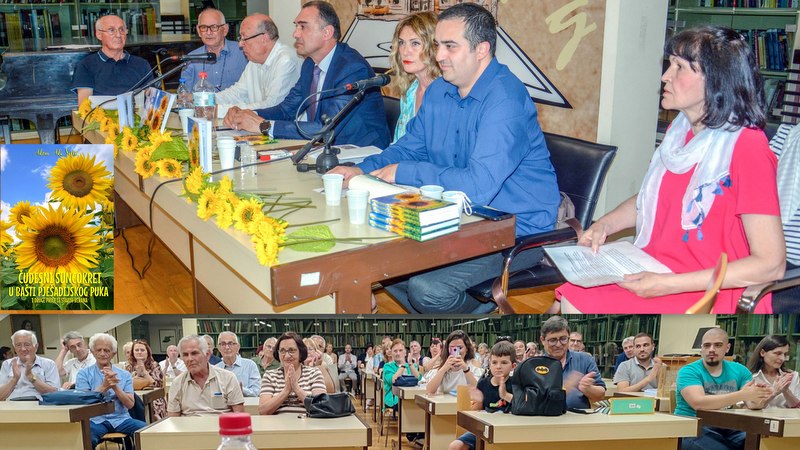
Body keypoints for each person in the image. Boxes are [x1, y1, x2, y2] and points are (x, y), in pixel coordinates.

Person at [330, 2, 560, 314]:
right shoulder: (440, 90)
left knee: (426, 290)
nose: (439, 56)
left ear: (482, 50)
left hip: (515, 230)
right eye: (438, 45)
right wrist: (360, 170)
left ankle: (479, 316)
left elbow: (477, 187)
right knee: (374, 261)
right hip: (461, 218)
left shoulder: (505, 100)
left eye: (450, 46)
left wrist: (404, 171)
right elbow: (408, 147)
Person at [556, 25, 786, 314]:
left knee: (576, 301)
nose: (666, 75)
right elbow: (652, 198)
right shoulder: (679, 133)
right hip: (660, 269)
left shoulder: (748, 146)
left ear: (716, 79)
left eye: (680, 67)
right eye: (670, 64)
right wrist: (604, 225)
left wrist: (668, 284)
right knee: (573, 291)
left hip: (710, 289)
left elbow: (771, 264)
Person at [230, 1, 390, 148]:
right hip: (325, 151)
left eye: (303, 27)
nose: (295, 34)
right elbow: (287, 110)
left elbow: (326, 127)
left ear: (327, 32)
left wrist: (264, 126)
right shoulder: (309, 64)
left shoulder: (352, 69)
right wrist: (248, 115)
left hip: (361, 154)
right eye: (296, 26)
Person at [676, 328, 772, 450]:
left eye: (718, 345)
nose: (711, 349)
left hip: (728, 426)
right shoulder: (689, 371)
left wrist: (759, 396)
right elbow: (698, 403)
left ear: (727, 348)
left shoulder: (740, 370)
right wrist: (743, 394)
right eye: (707, 345)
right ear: (701, 348)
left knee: (758, 444)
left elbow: (751, 403)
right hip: (693, 427)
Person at [216, 13, 301, 119]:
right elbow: (238, 92)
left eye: (244, 38)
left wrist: (218, 111)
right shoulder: (254, 61)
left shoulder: (286, 60)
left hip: (286, 127)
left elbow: (272, 106)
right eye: (240, 38)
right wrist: (207, 102)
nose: (240, 44)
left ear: (264, 38)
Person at [76, 333, 146, 448]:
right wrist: (103, 386)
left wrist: (115, 386)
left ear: (113, 353)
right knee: (85, 439)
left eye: (107, 350)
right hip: (95, 420)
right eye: (99, 350)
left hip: (121, 419)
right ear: (93, 352)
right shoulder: (83, 374)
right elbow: (83, 402)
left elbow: (130, 404)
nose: (102, 353)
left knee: (146, 433)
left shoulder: (125, 375)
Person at [71, 15, 153, 106]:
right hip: (100, 114)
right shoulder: (86, 65)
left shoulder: (142, 64)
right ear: (99, 35)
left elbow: (151, 103)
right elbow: (84, 107)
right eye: (111, 30)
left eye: (122, 30)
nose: (118, 35)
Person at [450, 340, 515, 450]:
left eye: (504, 363)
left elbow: (522, 405)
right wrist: (479, 402)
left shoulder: (516, 384)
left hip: (507, 430)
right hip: (484, 429)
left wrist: (505, 395)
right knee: (455, 446)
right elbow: (476, 414)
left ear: (513, 366)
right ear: (489, 364)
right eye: (494, 362)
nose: (498, 366)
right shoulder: (483, 383)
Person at [387, 11, 441, 141]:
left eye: (415, 43)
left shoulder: (447, 93)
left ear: (433, 46)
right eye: (401, 43)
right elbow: (399, 142)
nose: (405, 52)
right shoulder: (410, 92)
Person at [167, 335, 245, 416]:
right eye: (185, 355)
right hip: (189, 423)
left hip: (220, 423)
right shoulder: (177, 383)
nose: (190, 359)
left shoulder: (228, 378)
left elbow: (239, 415)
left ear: (207, 355)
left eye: (194, 353)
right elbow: (173, 419)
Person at [539, 316, 605, 409]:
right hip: (545, 416)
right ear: (542, 340)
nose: (558, 344)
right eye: (552, 340)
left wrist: (588, 389)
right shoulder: (533, 365)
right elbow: (532, 402)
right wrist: (565, 388)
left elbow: (601, 395)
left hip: (579, 416)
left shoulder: (586, 359)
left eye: (563, 339)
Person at [180, 8, 248, 91]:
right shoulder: (192, 59)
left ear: (225, 29)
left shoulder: (243, 52)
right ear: (198, 31)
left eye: (214, 27)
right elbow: (185, 93)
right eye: (204, 27)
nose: (208, 32)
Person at [259, 332, 326, 415]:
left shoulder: (314, 374)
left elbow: (321, 407)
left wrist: (296, 388)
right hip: (277, 423)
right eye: (282, 351)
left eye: (292, 351)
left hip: (307, 422)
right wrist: (286, 390)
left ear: (300, 352)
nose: (287, 356)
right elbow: (263, 410)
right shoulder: (270, 376)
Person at [382, 338, 423, 446]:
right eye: (395, 351)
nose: (398, 353)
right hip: (394, 399)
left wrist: (410, 364)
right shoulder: (387, 366)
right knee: (408, 407)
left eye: (400, 350)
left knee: (422, 406)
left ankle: (421, 435)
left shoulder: (411, 365)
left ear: (405, 352)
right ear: (391, 353)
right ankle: (412, 435)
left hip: (412, 397)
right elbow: (393, 379)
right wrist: (403, 365)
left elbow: (418, 378)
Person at [0, 330, 58, 401]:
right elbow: (1, 396)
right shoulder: (7, 364)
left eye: (27, 345)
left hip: (39, 404)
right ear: (14, 348)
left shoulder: (49, 364)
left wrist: (31, 376)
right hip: (12, 405)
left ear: (36, 347)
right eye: (18, 345)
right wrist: (14, 379)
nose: (23, 349)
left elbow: (54, 394)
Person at [746, 335, 800, 408]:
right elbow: (746, 408)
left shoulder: (792, 375)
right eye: (777, 353)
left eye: (785, 354)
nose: (782, 358)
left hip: (785, 415)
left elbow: (797, 408)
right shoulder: (749, 377)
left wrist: (786, 390)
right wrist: (774, 392)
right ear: (762, 352)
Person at [425, 330, 479, 394]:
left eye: (460, 347)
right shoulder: (441, 368)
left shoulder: (473, 368)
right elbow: (429, 391)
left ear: (466, 349)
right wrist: (443, 369)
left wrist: (466, 369)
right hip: (446, 400)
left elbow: (479, 391)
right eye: (452, 348)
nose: (456, 351)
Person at [125, 339, 167, 420]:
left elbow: (158, 386)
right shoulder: (128, 366)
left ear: (147, 352)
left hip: (154, 397)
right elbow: (127, 384)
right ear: (133, 352)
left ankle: (157, 421)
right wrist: (137, 374)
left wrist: (144, 372)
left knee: (152, 406)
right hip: (134, 396)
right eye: (136, 350)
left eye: (142, 350)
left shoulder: (154, 365)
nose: (139, 352)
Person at [214, 332, 261, 398]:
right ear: (218, 348)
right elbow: (212, 394)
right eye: (223, 344)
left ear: (238, 347)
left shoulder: (250, 365)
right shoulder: (215, 369)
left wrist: (241, 389)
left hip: (247, 403)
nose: (227, 347)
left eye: (230, 343)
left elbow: (257, 392)